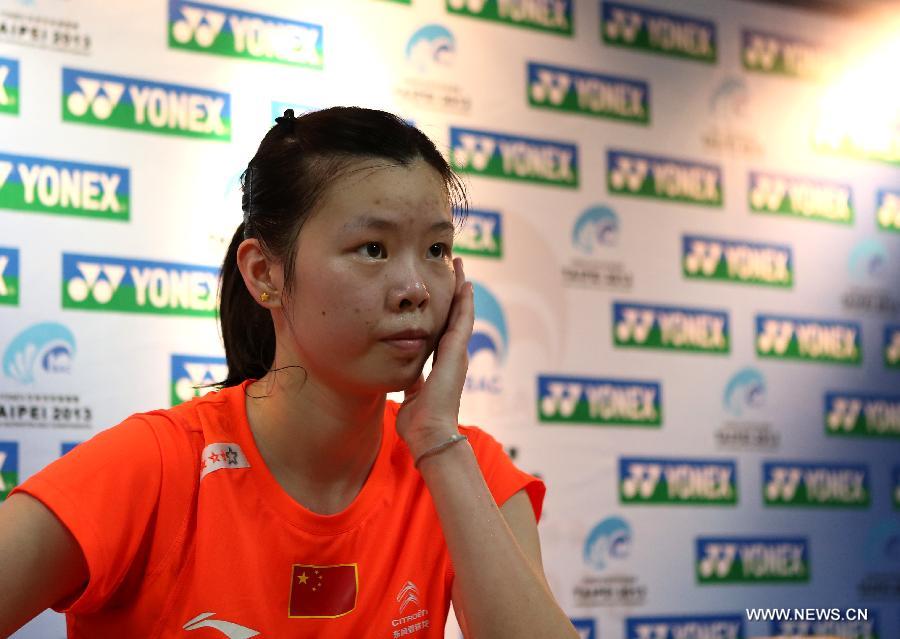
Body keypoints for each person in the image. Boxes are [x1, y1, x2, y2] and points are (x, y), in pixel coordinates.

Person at [0, 107, 578, 638]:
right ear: (264, 274)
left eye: (435, 249)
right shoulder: (156, 466)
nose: (416, 289)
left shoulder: (465, 469)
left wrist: (438, 445)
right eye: (373, 248)